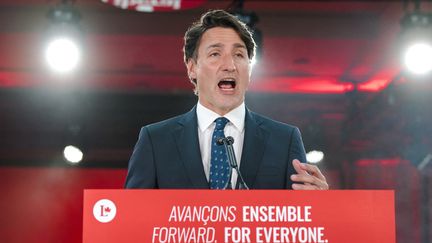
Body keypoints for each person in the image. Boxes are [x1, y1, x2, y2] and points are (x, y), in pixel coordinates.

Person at [125, 9, 328, 190]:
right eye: (215, 53)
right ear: (192, 67)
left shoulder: (284, 139)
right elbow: (132, 218)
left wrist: (318, 206)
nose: (229, 65)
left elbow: (301, 224)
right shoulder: (156, 140)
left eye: (239, 55)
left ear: (249, 68)